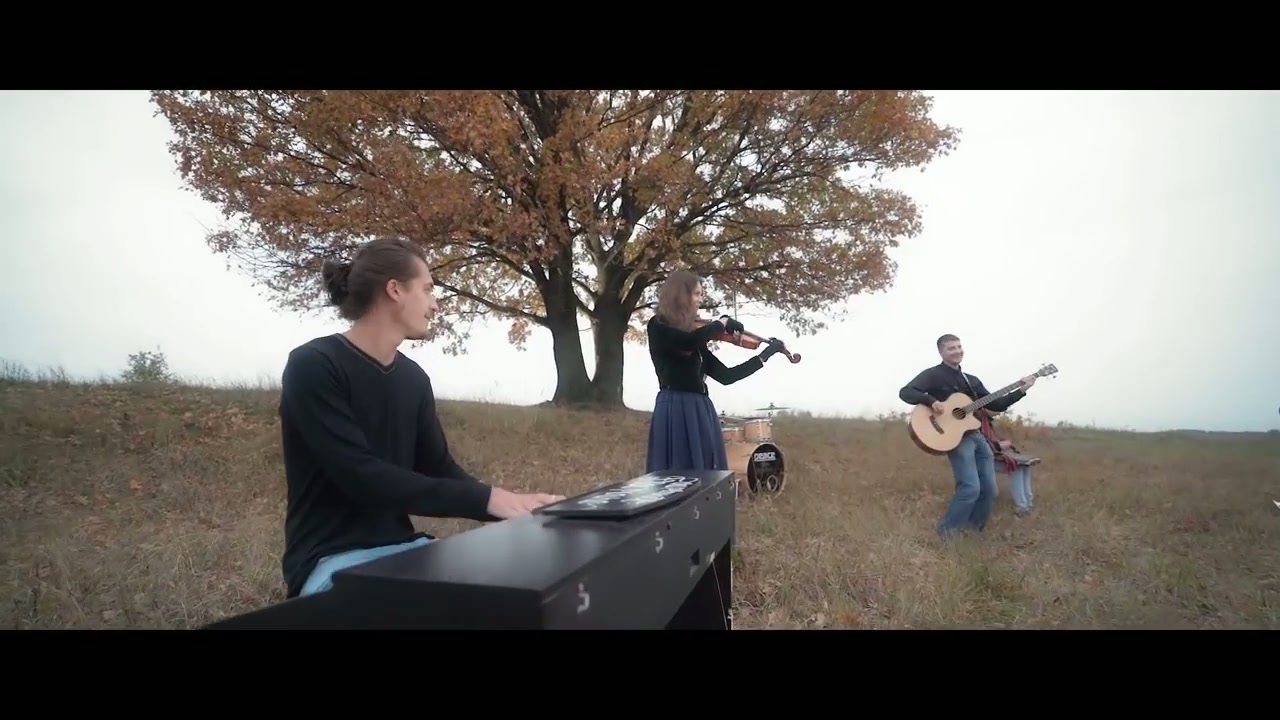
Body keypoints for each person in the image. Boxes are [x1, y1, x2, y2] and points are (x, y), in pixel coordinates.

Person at [278, 237, 563, 599]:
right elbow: (360, 476)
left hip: (404, 549)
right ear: (395, 290)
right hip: (330, 560)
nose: (435, 304)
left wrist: (514, 506)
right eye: (427, 289)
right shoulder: (314, 365)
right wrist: (486, 499)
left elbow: (437, 468)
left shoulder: (413, 378)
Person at [644, 270, 784, 474]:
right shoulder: (658, 326)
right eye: (696, 294)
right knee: (677, 471)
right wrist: (721, 323)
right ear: (681, 295)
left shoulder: (697, 339)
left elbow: (727, 376)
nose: (700, 300)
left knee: (705, 473)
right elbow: (687, 342)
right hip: (675, 406)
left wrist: (765, 355)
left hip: (700, 408)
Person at [898, 333, 1038, 537]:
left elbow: (996, 404)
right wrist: (931, 401)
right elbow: (906, 392)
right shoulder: (933, 375)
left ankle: (973, 531)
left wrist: (1022, 390)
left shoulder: (971, 381)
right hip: (955, 438)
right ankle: (947, 533)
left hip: (977, 436)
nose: (957, 351)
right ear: (941, 352)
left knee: (989, 490)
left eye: (959, 347)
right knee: (970, 488)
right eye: (951, 348)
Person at [977, 410, 1039, 516]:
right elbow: (981, 445)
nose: (998, 413)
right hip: (981, 459)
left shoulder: (987, 422)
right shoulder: (976, 423)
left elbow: (992, 441)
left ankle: (1028, 503)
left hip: (992, 455)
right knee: (1016, 467)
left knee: (1024, 465)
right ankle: (1022, 507)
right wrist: (999, 445)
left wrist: (1003, 443)